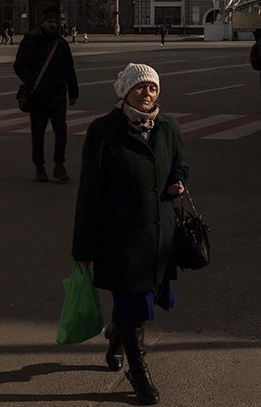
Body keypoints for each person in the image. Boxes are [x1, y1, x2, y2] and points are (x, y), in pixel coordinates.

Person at [72, 63, 188, 406]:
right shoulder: (103, 130)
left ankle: (116, 333)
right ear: (123, 92)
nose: (147, 93)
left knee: (145, 299)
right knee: (133, 303)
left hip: (158, 233)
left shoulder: (168, 126)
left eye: (152, 88)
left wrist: (177, 180)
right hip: (120, 236)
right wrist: (83, 247)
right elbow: (89, 190)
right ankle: (138, 372)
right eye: (139, 88)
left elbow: (180, 163)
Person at [13, 6, 79, 182]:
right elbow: (19, 66)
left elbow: (69, 70)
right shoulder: (30, 41)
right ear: (42, 23)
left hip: (58, 95)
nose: (53, 25)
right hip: (38, 96)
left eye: (56, 22)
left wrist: (74, 92)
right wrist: (31, 82)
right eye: (50, 22)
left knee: (61, 131)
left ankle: (59, 165)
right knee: (38, 133)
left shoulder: (62, 45)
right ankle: (39, 167)